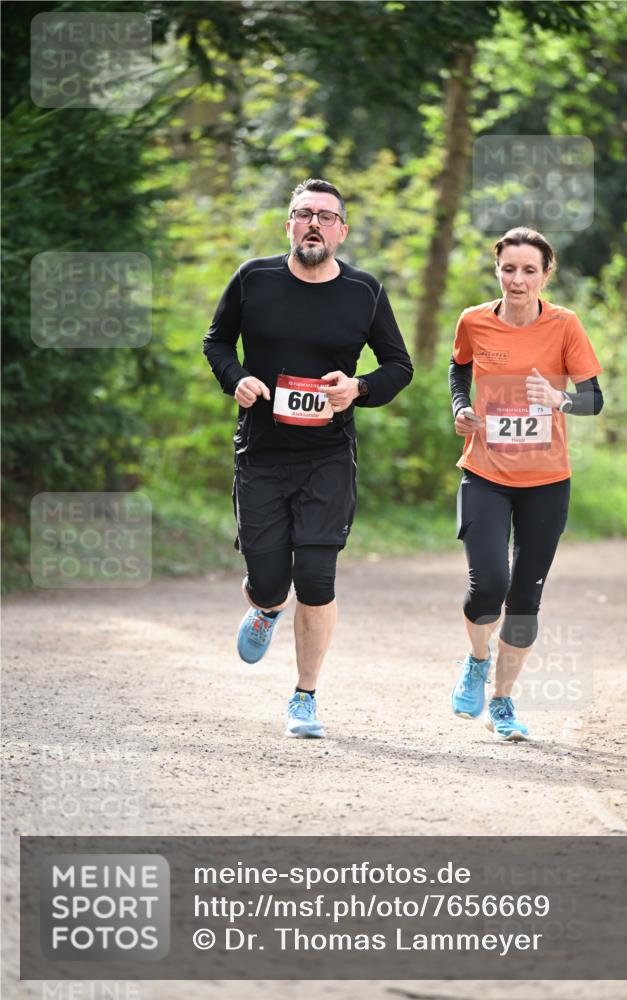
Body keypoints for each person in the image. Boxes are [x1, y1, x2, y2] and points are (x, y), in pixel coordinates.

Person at [203, 178, 413, 738]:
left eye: (326, 216)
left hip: (328, 455)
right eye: (303, 213)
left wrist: (359, 389)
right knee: (270, 580)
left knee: (317, 578)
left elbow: (399, 366)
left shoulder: (364, 291)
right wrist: (236, 377)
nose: (313, 223)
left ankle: (305, 697)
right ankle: (266, 606)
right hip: (261, 453)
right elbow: (216, 342)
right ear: (289, 225)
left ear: (342, 230)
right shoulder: (253, 278)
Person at [448, 227, 603, 741]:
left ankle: (503, 701)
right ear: (497, 270)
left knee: (524, 598)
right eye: (509, 269)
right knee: (488, 585)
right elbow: (458, 368)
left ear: (545, 274)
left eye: (529, 270)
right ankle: (477, 660)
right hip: (485, 474)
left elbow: (595, 399)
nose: (517, 279)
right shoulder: (473, 320)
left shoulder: (565, 325)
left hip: (547, 482)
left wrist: (560, 400)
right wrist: (461, 407)